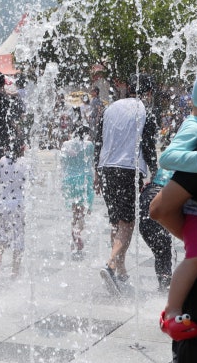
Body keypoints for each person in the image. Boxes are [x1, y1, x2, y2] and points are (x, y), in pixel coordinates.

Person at [148, 62, 197, 340]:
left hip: (190, 204)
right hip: (185, 202)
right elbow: (166, 157)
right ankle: (172, 312)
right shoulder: (196, 126)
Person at [151, 127, 197, 360]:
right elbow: (167, 158)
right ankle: (172, 310)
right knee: (196, 258)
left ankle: (173, 311)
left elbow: (161, 209)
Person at [94, 74, 158, 295]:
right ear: (148, 93)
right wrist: (156, 171)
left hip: (106, 169)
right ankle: (111, 264)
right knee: (127, 222)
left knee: (115, 221)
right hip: (128, 170)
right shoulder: (145, 112)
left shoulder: (110, 109)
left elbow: (98, 140)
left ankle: (121, 272)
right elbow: (149, 146)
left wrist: (96, 171)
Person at [0, 141, 32, 278]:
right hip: (18, 205)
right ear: (22, 148)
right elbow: (32, 179)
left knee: (2, 234)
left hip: (3, 205)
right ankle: (15, 272)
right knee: (18, 238)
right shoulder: (24, 162)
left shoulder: (2, 160)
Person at [60, 125, 95, 261]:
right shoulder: (89, 145)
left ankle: (75, 234)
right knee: (83, 212)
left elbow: (62, 162)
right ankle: (78, 231)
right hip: (84, 181)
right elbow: (91, 161)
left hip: (69, 181)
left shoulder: (66, 145)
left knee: (74, 212)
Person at [139, 166, 174, 292]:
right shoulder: (184, 173)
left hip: (144, 220)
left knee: (160, 251)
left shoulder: (165, 168)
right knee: (164, 249)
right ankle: (165, 284)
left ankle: (163, 283)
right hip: (156, 210)